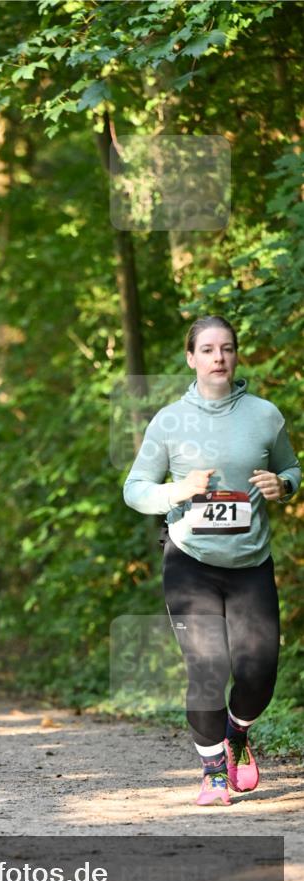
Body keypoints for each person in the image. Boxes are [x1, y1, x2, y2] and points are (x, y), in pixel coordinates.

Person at [123, 315, 300, 806]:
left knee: (258, 671)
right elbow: (134, 489)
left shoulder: (265, 415)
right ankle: (213, 770)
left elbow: (290, 466)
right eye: (207, 349)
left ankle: (237, 733)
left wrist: (283, 486)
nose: (218, 358)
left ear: (236, 355)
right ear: (190, 358)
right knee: (207, 668)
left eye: (226, 348)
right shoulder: (169, 420)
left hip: (250, 562)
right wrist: (178, 490)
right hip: (191, 561)